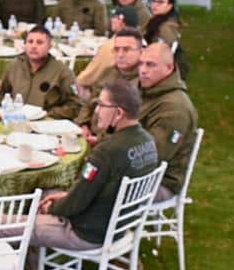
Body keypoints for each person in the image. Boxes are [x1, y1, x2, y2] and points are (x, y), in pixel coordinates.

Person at [33, 80, 159, 250]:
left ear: (119, 113)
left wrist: (52, 208)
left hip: (86, 233)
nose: (97, 111)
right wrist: (64, 197)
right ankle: (32, 264)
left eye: (101, 105)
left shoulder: (105, 153)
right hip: (116, 227)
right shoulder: (148, 141)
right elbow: (84, 194)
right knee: (46, 194)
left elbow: (76, 203)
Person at [137, 42, 199, 200]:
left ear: (169, 68)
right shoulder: (143, 90)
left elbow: (151, 157)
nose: (143, 70)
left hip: (160, 181)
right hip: (135, 167)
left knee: (95, 186)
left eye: (151, 65)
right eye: (141, 64)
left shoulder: (176, 109)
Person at [0, 26, 81, 119]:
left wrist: (49, 113)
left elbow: (76, 106)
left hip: (46, 123)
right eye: (30, 42)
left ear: (50, 46)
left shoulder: (62, 71)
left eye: (39, 42)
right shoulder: (15, 66)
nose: (33, 46)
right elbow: (0, 94)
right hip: (15, 119)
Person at [76, 27, 142, 137]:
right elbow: (90, 102)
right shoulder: (109, 72)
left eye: (126, 49)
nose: (120, 55)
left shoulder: (142, 82)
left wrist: (99, 140)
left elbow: (132, 128)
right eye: (116, 49)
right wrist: (83, 124)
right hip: (90, 132)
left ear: (141, 51)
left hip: (114, 143)